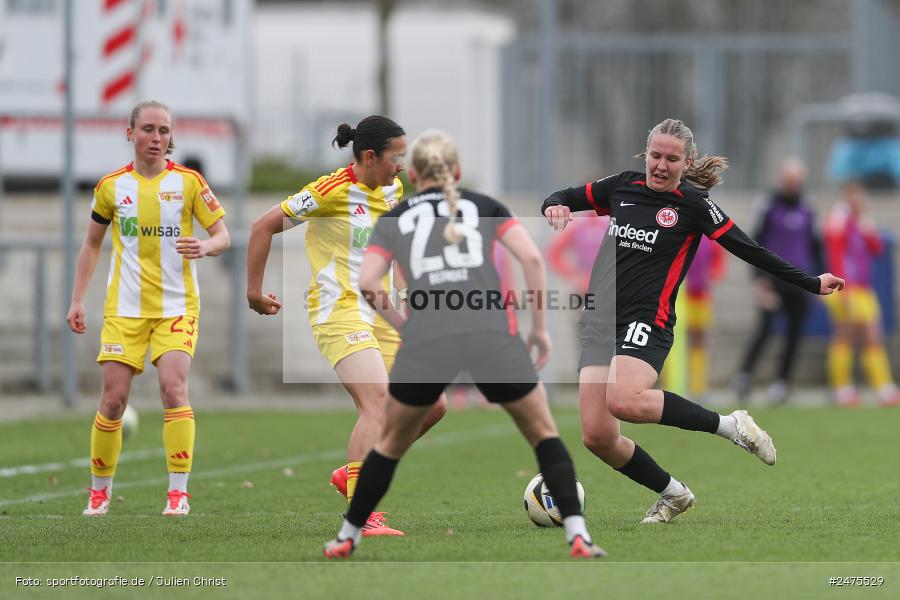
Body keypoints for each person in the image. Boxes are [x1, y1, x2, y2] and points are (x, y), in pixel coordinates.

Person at [541, 118, 844, 524]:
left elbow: (749, 248)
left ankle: (730, 425)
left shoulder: (694, 203)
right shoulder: (622, 186)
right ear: (644, 154)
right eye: (655, 156)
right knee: (597, 436)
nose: (661, 166)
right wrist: (554, 205)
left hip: (647, 318)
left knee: (624, 399)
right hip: (599, 319)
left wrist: (809, 282)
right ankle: (674, 494)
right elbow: (563, 195)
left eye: (671, 158)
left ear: (686, 162)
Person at [322, 130, 606, 559]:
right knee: (544, 434)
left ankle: (347, 536)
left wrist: (404, 325)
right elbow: (530, 258)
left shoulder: (396, 215)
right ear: (455, 171)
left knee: (389, 444)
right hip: (491, 333)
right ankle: (579, 536)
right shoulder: (485, 207)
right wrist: (539, 330)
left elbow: (367, 284)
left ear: (413, 174)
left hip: (427, 339)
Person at [246, 116, 447, 537]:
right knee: (376, 403)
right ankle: (362, 513)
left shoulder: (392, 190)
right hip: (339, 309)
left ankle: (353, 472)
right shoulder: (329, 191)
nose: (401, 167)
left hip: (383, 310)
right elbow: (263, 225)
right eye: (396, 158)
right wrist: (254, 291)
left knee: (432, 405)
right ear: (369, 156)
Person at [67, 100, 231, 517]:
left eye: (163, 131)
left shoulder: (190, 182)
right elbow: (91, 244)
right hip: (124, 309)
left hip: (177, 307)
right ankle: (99, 492)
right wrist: (76, 300)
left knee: (174, 389)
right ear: (130, 133)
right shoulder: (110, 187)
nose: (156, 138)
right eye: (148, 130)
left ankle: (178, 493)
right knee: (113, 402)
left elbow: (222, 235)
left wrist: (206, 246)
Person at [732, 158, 824, 404]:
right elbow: (753, 243)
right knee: (765, 329)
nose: (793, 186)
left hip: (800, 279)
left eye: (797, 181)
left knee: (795, 333)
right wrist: (759, 280)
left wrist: (819, 280)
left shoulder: (808, 207)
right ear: (781, 180)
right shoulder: (767, 204)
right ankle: (744, 376)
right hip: (773, 279)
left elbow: (816, 246)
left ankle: (782, 382)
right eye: (789, 181)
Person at [822, 181, 900, 407]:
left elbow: (876, 249)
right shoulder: (838, 219)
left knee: (869, 336)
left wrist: (869, 228)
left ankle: (880, 388)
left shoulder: (860, 222)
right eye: (854, 196)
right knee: (847, 334)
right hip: (846, 288)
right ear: (847, 197)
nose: (858, 201)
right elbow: (835, 254)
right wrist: (842, 290)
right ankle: (845, 389)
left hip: (863, 289)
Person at [663, 235, 726, 402]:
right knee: (672, 340)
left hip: (700, 296)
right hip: (677, 296)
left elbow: (718, 263)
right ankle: (672, 385)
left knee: (699, 340)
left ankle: (698, 388)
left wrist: (711, 275)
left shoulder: (709, 236)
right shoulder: (680, 231)